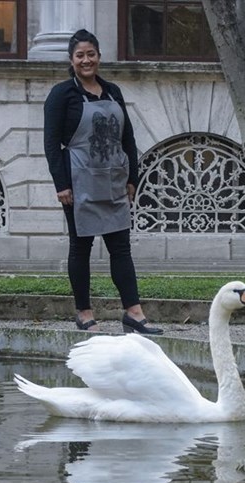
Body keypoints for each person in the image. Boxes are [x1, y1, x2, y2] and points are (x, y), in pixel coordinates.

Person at [43, 29, 162, 335]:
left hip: (114, 180)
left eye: (91, 54)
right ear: (71, 59)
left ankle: (133, 313)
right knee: (80, 248)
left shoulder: (112, 91)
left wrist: (133, 177)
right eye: (80, 55)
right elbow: (51, 143)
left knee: (121, 248)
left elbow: (128, 137)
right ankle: (84, 314)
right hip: (79, 183)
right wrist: (61, 185)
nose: (86, 60)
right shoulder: (61, 94)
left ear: (99, 56)